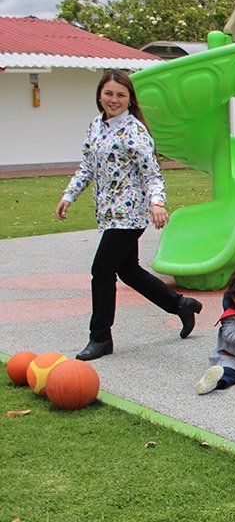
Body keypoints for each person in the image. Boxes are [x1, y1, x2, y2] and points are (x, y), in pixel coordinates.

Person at [55, 69, 203, 361]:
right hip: (108, 214)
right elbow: (87, 167)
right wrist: (68, 195)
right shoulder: (96, 126)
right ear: (100, 95)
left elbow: (152, 173)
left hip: (130, 214)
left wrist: (157, 203)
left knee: (102, 269)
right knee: (128, 270)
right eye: (109, 93)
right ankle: (180, 305)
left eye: (121, 95)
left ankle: (100, 338)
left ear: (129, 99)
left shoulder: (135, 131)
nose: (114, 99)